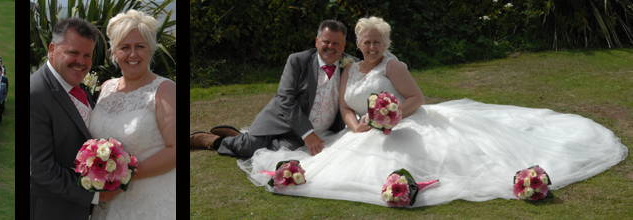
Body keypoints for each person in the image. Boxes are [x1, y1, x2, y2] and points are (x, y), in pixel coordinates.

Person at [235, 16, 629, 207]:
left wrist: (390, 117)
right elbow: (343, 104)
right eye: (366, 42)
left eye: (376, 41)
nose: (371, 46)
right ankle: (226, 139)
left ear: (384, 42)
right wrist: (355, 123)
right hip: (360, 133)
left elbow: (417, 98)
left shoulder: (394, 66)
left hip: (402, 126)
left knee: (433, 157)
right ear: (357, 43)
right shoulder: (349, 69)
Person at [191, 19, 357, 159]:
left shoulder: (352, 66)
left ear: (344, 46)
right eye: (326, 41)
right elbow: (286, 99)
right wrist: (307, 133)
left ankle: (243, 138)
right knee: (249, 148)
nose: (330, 46)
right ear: (316, 41)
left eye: (336, 43)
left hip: (316, 132)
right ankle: (212, 141)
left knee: (275, 154)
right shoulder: (298, 60)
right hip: (281, 119)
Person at [86, 10, 177, 219]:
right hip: (106, 201)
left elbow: (175, 150)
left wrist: (121, 177)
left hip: (150, 200)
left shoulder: (165, 90)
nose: (133, 54)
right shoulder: (106, 88)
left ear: (151, 49)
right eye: (125, 47)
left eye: (140, 47)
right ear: (114, 52)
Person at [30, 17, 122, 220]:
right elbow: (41, 168)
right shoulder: (35, 95)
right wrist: (94, 194)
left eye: (87, 55)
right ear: (52, 49)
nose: (81, 61)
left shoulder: (78, 87)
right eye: (73, 52)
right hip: (51, 210)